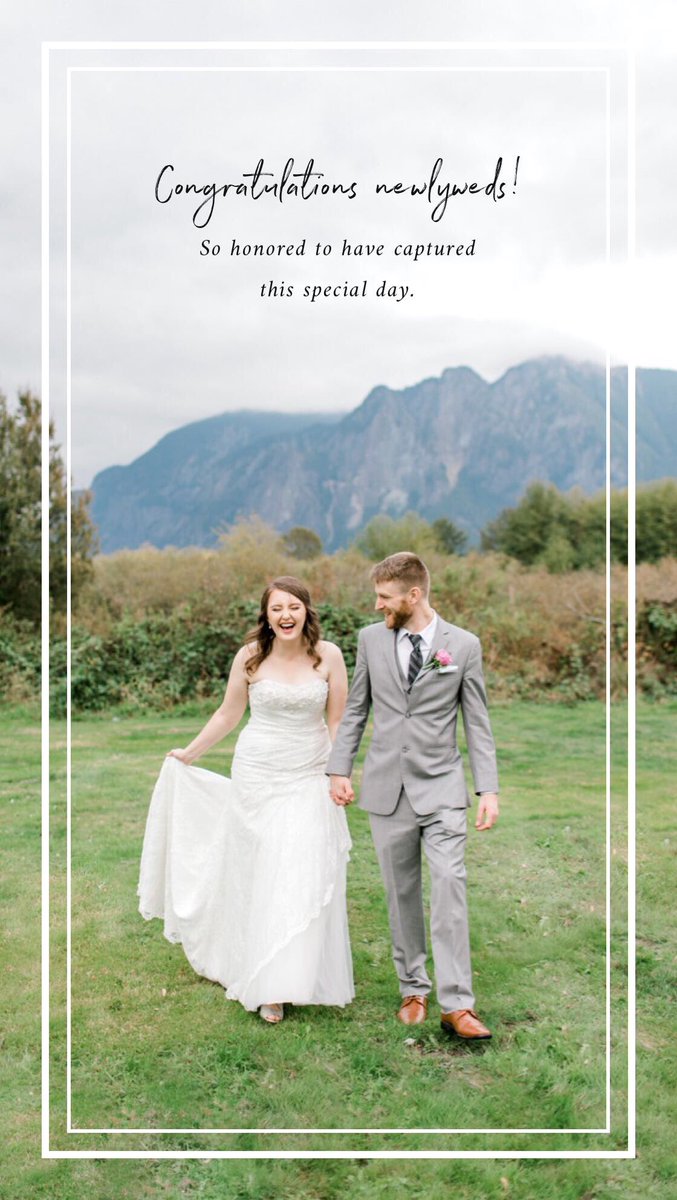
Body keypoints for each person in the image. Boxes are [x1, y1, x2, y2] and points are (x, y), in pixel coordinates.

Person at [138, 576, 354, 1024]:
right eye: (277, 608)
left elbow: (339, 721)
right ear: (267, 615)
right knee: (264, 870)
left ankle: (296, 973)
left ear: (307, 611)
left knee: (302, 868)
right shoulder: (251, 656)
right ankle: (268, 985)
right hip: (258, 773)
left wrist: (340, 771)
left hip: (309, 771)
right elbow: (229, 712)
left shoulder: (328, 655)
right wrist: (191, 753)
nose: (286, 615)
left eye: (294, 607)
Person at [327, 552, 499, 1040]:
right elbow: (356, 709)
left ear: (413, 595)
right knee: (401, 894)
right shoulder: (369, 640)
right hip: (387, 787)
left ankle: (458, 1005)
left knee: (449, 887)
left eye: (385, 597)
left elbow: (478, 723)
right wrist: (339, 768)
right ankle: (413, 988)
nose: (378, 605)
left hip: (442, 786)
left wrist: (487, 788)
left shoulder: (462, 646)